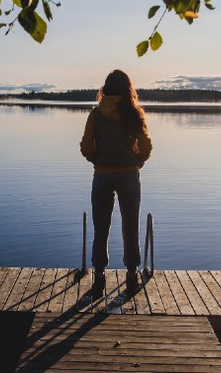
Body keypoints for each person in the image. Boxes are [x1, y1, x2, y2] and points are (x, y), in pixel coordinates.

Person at [80, 69, 153, 293]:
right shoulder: (135, 113)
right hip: (129, 176)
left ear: (106, 89)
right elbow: (147, 146)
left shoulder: (96, 114)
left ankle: (100, 276)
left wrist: (97, 160)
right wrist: (136, 162)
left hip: (102, 176)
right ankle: (132, 275)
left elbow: (85, 146)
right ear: (128, 90)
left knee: (100, 227)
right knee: (131, 225)